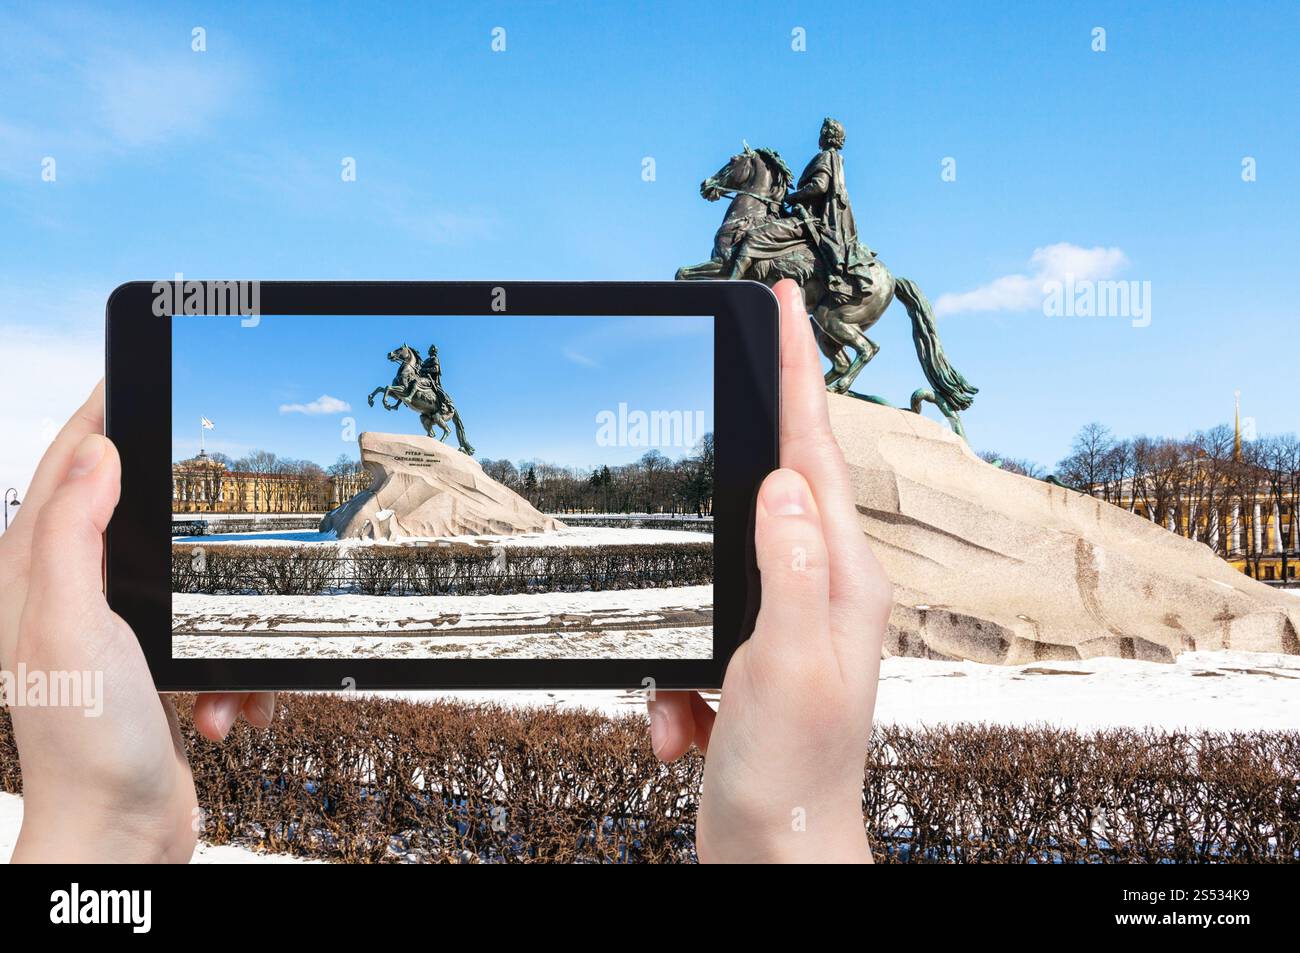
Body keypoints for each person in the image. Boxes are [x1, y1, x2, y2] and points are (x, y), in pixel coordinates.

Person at [0, 280, 890, 863]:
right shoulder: (408, 385)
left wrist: (106, 827)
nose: (414, 372)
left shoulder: (430, 378)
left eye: (414, 369)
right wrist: (781, 834)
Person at [727, 118, 875, 304]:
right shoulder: (836, 159)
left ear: (826, 136)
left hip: (810, 221)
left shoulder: (825, 157)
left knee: (754, 236)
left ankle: (731, 288)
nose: (819, 137)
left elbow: (820, 186)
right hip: (815, 219)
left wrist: (792, 197)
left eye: (822, 132)